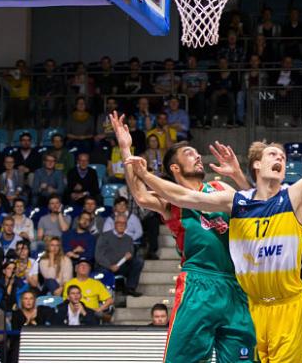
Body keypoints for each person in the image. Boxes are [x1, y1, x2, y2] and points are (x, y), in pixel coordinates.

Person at [126, 38, 302, 363]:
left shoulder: (295, 195)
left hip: (288, 307)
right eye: (272, 154)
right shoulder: (236, 202)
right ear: (256, 165)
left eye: (282, 155)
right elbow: (182, 195)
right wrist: (140, 169)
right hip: (249, 307)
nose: (279, 157)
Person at [109, 115, 256, 363]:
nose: (198, 156)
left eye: (197, 153)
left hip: (235, 285)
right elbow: (141, 196)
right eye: (190, 153)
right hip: (199, 282)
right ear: (174, 168)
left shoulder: (221, 190)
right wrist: (126, 147)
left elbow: (253, 206)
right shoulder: (170, 199)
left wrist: (240, 175)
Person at [94, 214, 143, 297]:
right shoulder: (104, 236)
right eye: (119, 223)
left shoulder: (129, 239)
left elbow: (130, 253)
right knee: (102, 272)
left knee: (138, 261)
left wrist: (129, 257)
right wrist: (110, 266)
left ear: (126, 226)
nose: (121, 225)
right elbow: (98, 255)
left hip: (121, 266)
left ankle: (130, 288)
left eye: (124, 223)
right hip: (105, 266)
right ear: (114, 224)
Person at [181, 56, 209, 128]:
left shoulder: (202, 74)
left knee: (200, 97)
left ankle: (200, 120)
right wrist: (188, 93)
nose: (191, 63)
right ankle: (183, 121)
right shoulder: (185, 75)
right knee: (182, 98)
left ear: (196, 63)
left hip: (198, 93)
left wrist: (194, 93)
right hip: (188, 94)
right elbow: (183, 88)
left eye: (193, 61)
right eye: (190, 61)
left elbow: (203, 88)